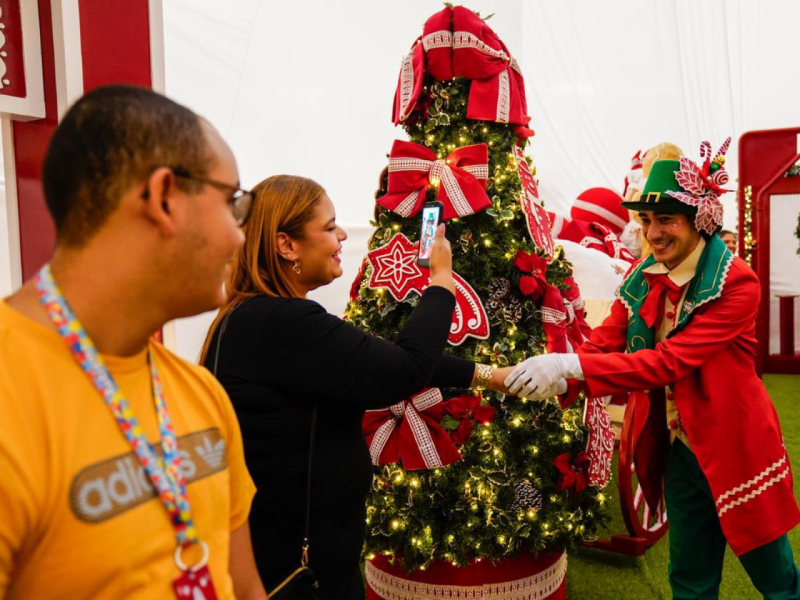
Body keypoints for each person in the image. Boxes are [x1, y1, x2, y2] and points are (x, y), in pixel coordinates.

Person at [0, 85, 267, 599]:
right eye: (232, 200)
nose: (240, 234)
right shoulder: (13, 391)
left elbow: (242, 584)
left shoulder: (200, 394)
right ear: (164, 197)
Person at [200, 175, 512, 599]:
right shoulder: (281, 322)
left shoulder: (262, 318)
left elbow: (373, 358)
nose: (342, 235)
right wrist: (441, 279)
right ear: (285, 245)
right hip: (295, 571)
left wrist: (486, 375)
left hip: (308, 558)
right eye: (329, 227)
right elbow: (404, 368)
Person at [506, 153, 800, 598]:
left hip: (735, 443)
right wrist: (563, 374)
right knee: (689, 576)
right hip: (677, 448)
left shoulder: (736, 282)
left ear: (699, 219)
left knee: (776, 579)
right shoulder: (643, 275)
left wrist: (570, 366)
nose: (653, 232)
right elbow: (607, 339)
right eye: (646, 219)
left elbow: (668, 362)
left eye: (667, 219)